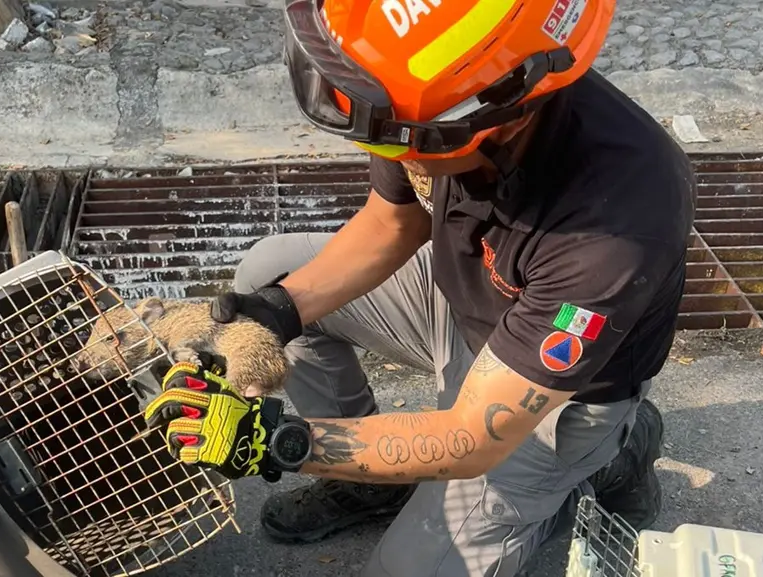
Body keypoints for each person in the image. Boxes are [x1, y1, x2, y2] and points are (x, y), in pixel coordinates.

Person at [142, 0, 697, 574]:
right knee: (271, 272)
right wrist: (277, 312)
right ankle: (371, 483)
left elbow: (470, 438)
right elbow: (392, 223)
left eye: (394, 142)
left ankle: (602, 461)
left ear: (496, 121)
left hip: (553, 399)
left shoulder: (615, 227)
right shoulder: (430, 95)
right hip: (471, 303)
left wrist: (279, 441)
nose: (382, 153)